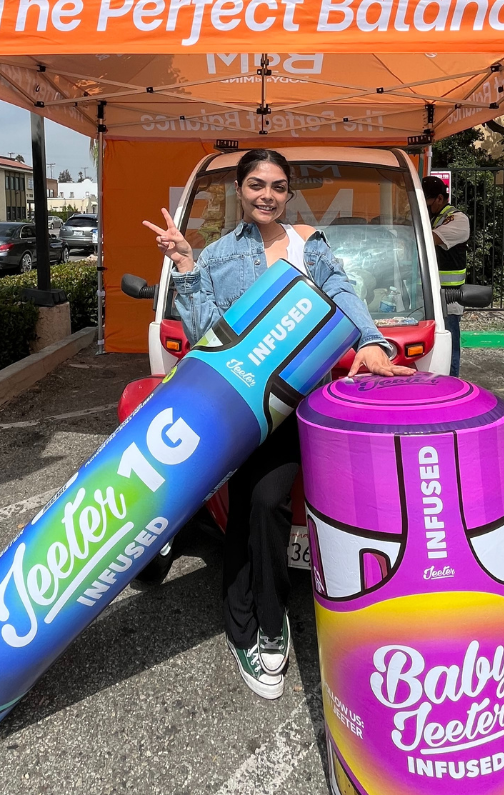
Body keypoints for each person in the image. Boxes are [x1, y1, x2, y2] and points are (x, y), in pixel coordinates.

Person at [143, 149, 409, 701]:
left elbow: (342, 291)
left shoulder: (309, 243)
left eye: (279, 186)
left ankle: (292, 608)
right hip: (246, 406)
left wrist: (372, 340)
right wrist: (187, 266)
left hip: (305, 400)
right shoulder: (218, 255)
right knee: (255, 502)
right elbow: (207, 334)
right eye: (257, 184)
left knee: (285, 502)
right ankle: (260, 625)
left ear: (289, 193)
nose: (267, 195)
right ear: (240, 189)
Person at [421, 175, 470, 377]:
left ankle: (451, 382)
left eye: (427, 202)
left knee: (449, 348)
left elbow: (426, 239)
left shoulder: (458, 220)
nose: (425, 207)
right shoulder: (432, 217)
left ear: (440, 199)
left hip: (448, 297)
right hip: (426, 295)